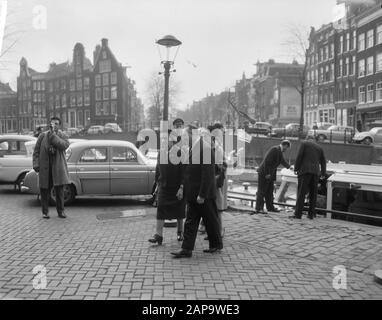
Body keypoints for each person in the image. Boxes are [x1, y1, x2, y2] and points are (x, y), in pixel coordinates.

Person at [171, 125, 223, 258]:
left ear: (191, 134)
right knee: (191, 220)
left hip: (202, 193)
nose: (182, 138)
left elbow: (208, 174)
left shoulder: (204, 148)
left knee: (210, 220)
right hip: (193, 192)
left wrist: (202, 194)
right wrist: (183, 187)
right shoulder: (193, 148)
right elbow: (188, 170)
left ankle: (215, 245)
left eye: (184, 136)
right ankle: (187, 249)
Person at [148, 131, 186, 245]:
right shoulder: (161, 152)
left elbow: (184, 172)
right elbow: (158, 168)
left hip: (176, 186)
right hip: (164, 186)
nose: (164, 141)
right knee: (161, 209)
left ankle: (180, 232)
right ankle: (158, 235)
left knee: (179, 210)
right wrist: (156, 184)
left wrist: (182, 187)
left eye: (167, 139)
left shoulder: (180, 153)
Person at [33, 117, 70, 219]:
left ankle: (61, 211)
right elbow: (36, 152)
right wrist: (36, 164)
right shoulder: (42, 136)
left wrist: (53, 135)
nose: (54, 125)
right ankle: (45, 212)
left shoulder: (63, 135)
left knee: (59, 191)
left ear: (59, 125)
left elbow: (64, 145)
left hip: (57, 168)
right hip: (46, 168)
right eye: (52, 123)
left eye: (56, 123)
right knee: (44, 191)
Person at [291, 136, 326, 220]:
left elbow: (299, 156)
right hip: (315, 173)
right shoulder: (319, 147)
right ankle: (311, 215)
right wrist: (323, 173)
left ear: (307, 139)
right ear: (314, 140)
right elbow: (323, 162)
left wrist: (296, 168)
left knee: (301, 193)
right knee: (313, 194)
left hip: (305, 171)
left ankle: (298, 214)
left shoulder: (304, 143)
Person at [254, 140, 292, 214]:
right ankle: (259, 208)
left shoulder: (279, 151)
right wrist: (267, 173)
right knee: (261, 191)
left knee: (269, 192)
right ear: (285, 145)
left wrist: (290, 167)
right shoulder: (275, 149)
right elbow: (267, 161)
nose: (286, 150)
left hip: (270, 174)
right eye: (286, 148)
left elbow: (282, 161)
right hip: (265, 173)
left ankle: (270, 207)